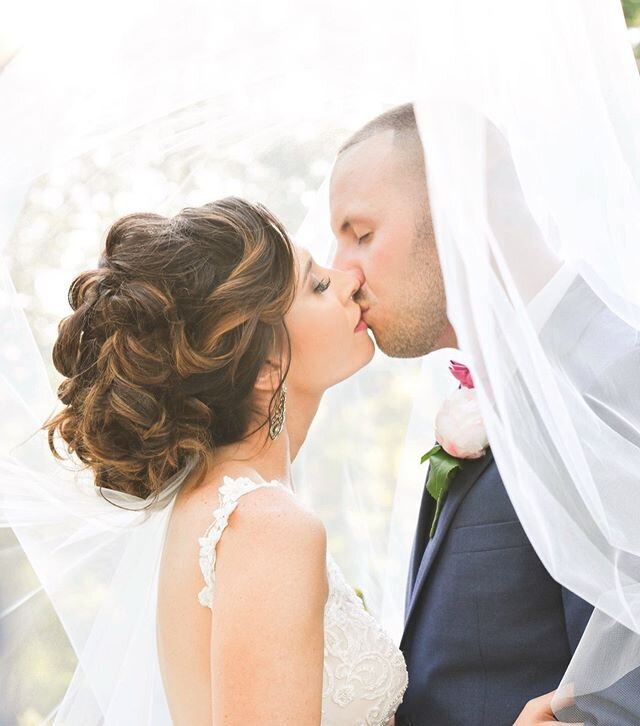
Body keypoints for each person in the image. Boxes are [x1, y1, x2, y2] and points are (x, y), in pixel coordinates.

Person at [44, 196, 407, 724]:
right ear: (265, 368)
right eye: (318, 285)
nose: (349, 278)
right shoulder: (268, 525)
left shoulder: (215, 505)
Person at [330, 103, 593, 726]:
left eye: (361, 234)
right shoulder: (490, 392)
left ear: (455, 212)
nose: (344, 272)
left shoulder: (597, 379)